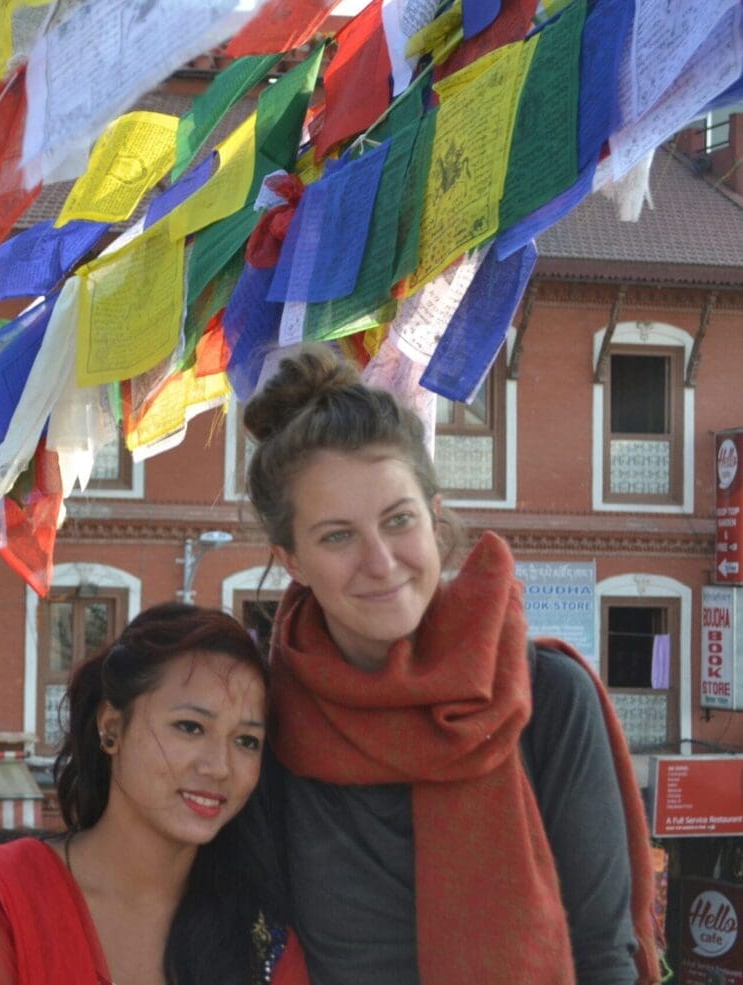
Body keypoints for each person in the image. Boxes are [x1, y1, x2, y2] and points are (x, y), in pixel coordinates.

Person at [241, 344, 662, 985]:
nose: (380, 562)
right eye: (337, 535)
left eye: (398, 520)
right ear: (292, 559)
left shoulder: (546, 699)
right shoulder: (266, 721)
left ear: (435, 523)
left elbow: (603, 958)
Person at [0, 602, 305, 984]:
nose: (219, 767)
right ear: (112, 728)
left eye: (247, 741)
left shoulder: (260, 942)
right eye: (189, 727)